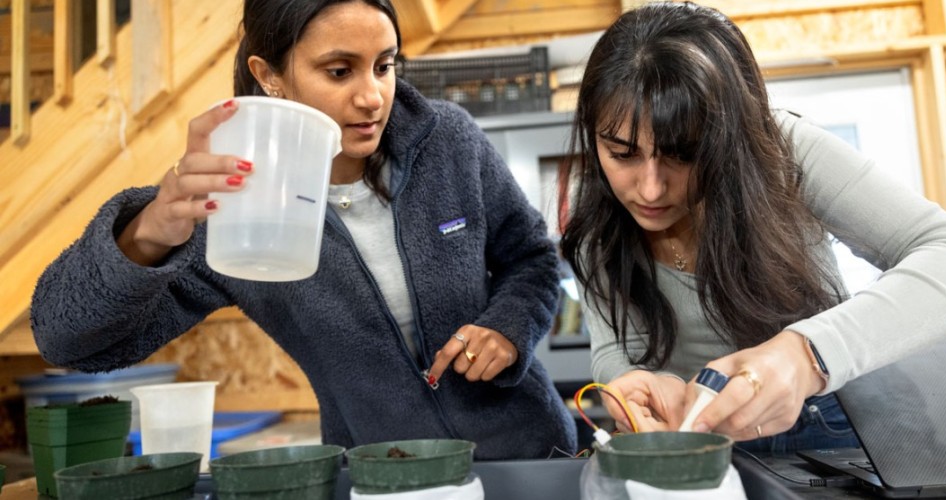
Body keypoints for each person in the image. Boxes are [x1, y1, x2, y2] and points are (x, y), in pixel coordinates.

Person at [30, 0, 576, 460]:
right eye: (340, 71)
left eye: (384, 66)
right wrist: (149, 232)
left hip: (532, 456)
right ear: (270, 75)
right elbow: (68, 341)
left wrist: (508, 327)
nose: (371, 97)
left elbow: (532, 257)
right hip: (383, 474)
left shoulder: (449, 141)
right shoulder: (235, 204)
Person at [559, 1, 946, 455]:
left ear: (728, 135)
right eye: (623, 154)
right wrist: (637, 384)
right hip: (704, 440)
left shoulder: (783, 152)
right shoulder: (597, 211)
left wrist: (806, 355)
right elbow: (619, 348)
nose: (651, 189)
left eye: (682, 154)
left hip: (839, 420)